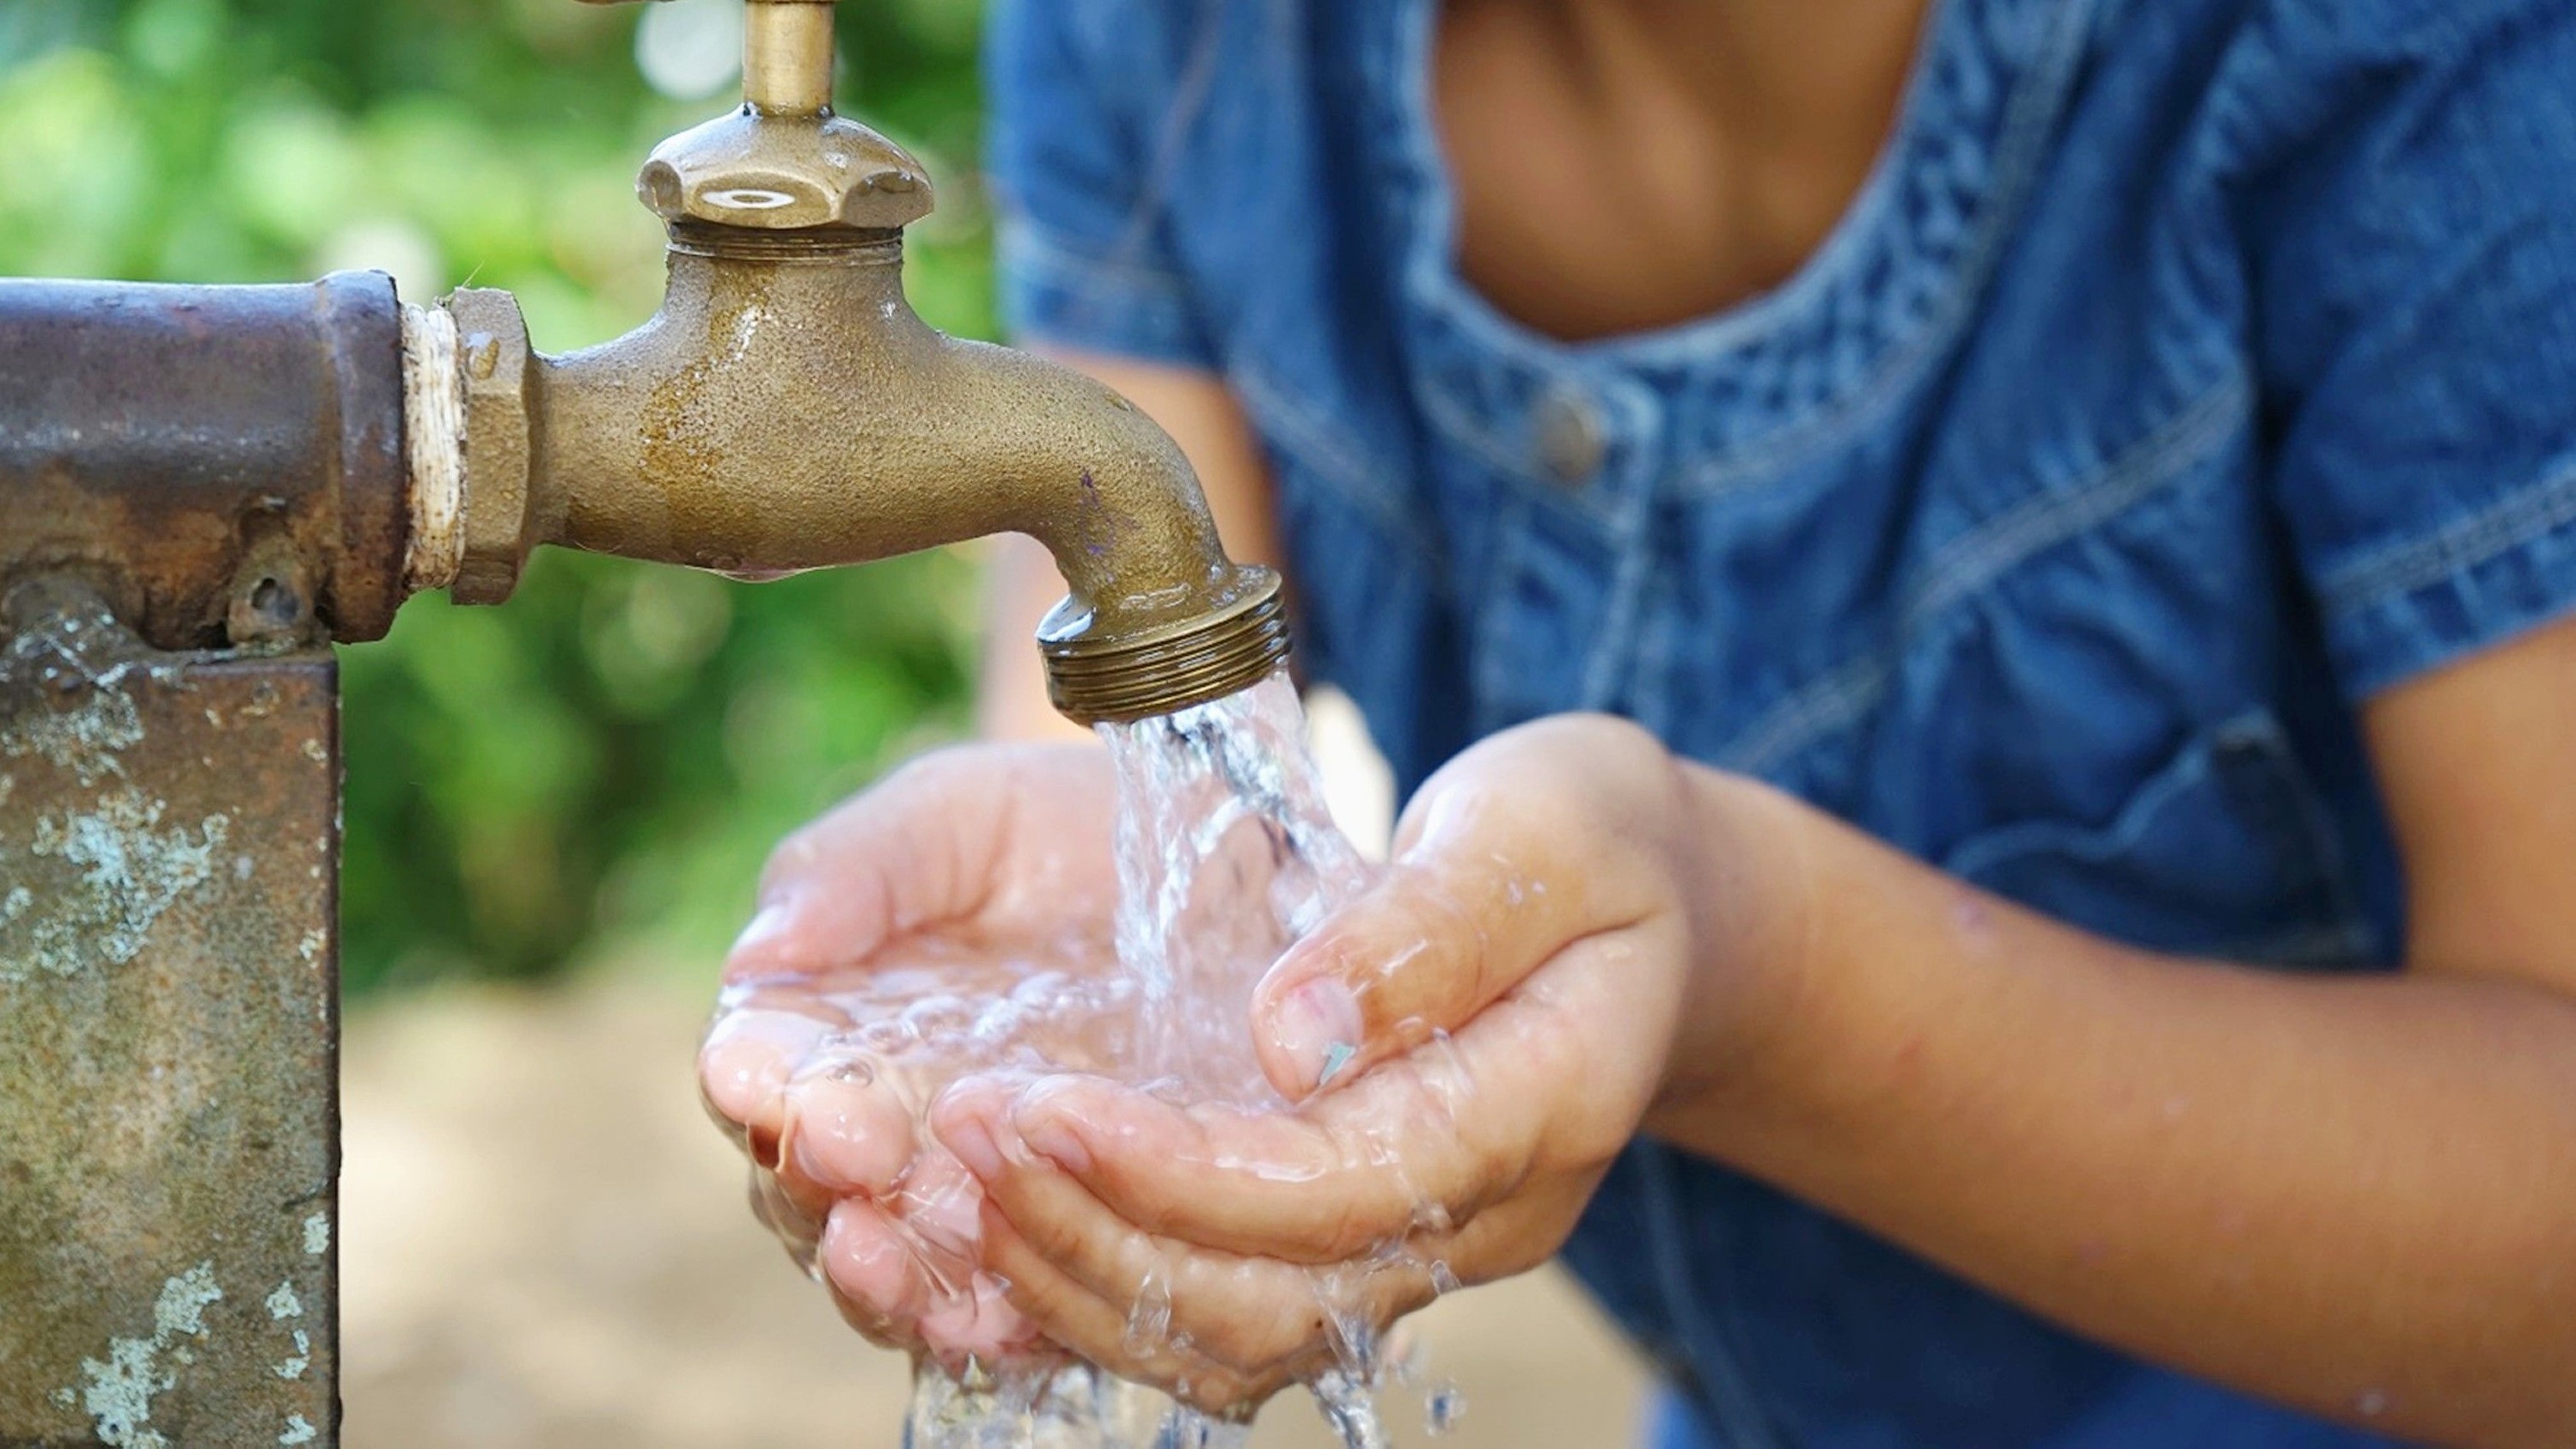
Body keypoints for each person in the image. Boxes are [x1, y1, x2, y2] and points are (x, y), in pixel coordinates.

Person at [702, 0, 2576, 1442]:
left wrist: (1757, 975)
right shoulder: (1174, 37)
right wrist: (1055, 1013)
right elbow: (1140, 709)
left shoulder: (2407, 66)